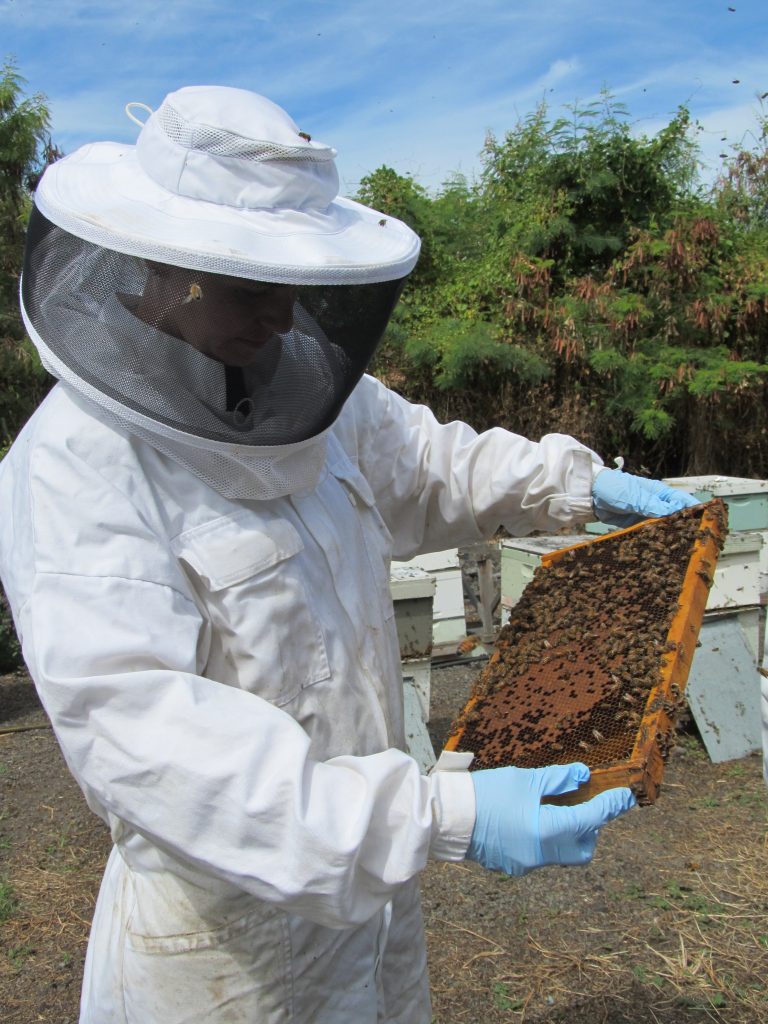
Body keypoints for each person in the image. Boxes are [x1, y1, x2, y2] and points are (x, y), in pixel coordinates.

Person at [0, 85, 698, 1024]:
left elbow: (426, 463)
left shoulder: (311, 395)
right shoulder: (74, 469)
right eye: (252, 287)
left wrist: (574, 484)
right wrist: (443, 817)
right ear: (163, 270)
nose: (284, 317)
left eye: (296, 282)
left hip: (369, 910)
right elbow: (154, 747)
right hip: (221, 951)